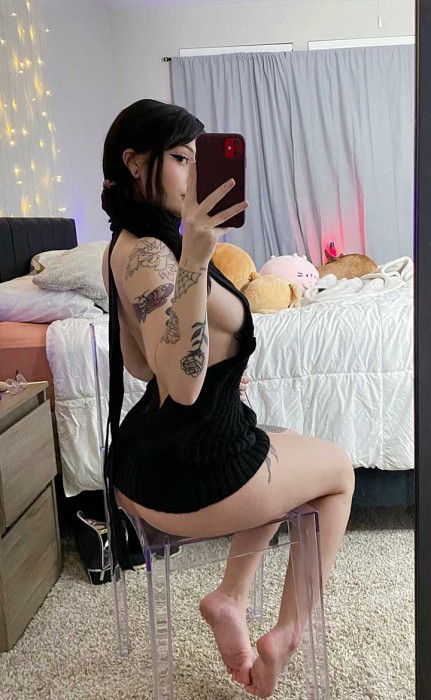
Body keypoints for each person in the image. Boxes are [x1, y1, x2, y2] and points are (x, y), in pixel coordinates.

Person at [101, 98, 355, 698]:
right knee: (338, 472)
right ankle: (287, 634)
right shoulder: (154, 252)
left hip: (145, 456)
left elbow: (140, 363)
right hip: (186, 472)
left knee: (281, 442)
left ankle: (229, 598)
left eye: (198, 158)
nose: (194, 174)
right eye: (181, 158)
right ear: (135, 163)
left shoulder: (133, 243)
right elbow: (183, 385)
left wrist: (215, 353)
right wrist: (196, 259)